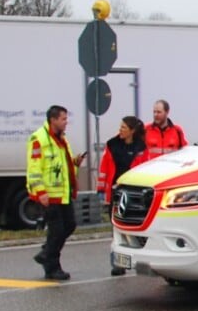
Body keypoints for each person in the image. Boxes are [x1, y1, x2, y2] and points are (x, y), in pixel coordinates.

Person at [27, 104, 85, 281]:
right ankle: (52, 267)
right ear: (53, 120)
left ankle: (46, 252)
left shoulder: (61, 139)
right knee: (57, 231)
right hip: (49, 195)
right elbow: (34, 169)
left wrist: (74, 163)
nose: (66, 122)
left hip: (63, 193)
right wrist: (41, 192)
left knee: (69, 225)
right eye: (63, 119)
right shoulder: (39, 139)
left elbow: (62, 165)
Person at [99, 115, 147, 275]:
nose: (120, 130)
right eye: (120, 127)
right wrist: (101, 191)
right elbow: (104, 169)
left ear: (132, 131)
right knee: (116, 230)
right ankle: (117, 263)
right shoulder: (112, 145)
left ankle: (137, 259)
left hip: (134, 194)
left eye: (123, 128)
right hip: (116, 193)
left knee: (132, 230)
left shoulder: (141, 148)